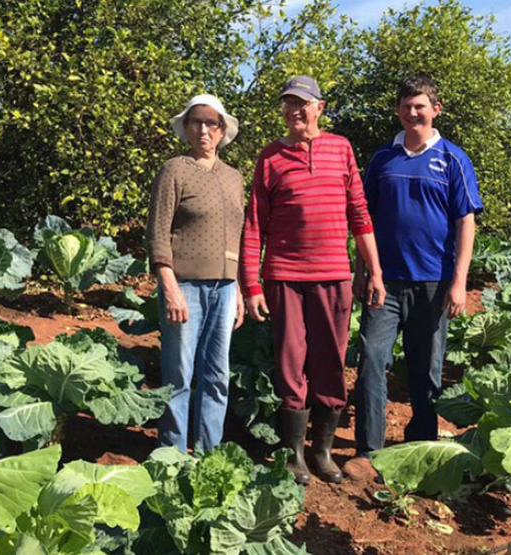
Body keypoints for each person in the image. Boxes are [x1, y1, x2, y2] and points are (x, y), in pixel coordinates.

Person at [240, 75, 386, 484]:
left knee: (330, 362)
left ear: (320, 107)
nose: (294, 112)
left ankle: (322, 451)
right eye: (288, 104)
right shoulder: (269, 158)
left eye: (302, 104)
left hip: (334, 275)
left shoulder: (341, 149)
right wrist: (251, 284)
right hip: (284, 276)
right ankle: (293, 456)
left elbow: (359, 213)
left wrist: (373, 270)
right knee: (290, 365)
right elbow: (255, 225)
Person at [345, 75, 483, 481]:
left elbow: (466, 222)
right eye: (406, 106)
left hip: (433, 284)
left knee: (426, 369)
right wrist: (362, 270)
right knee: (372, 360)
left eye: (420, 106)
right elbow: (362, 217)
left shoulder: (453, 159)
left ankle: (419, 447)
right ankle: (368, 451)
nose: (412, 112)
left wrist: (459, 283)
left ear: (435, 110)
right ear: (398, 111)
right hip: (383, 283)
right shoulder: (382, 160)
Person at [146, 93, 245, 451]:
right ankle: (171, 455)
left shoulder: (234, 178)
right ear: (186, 128)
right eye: (196, 122)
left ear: (221, 131)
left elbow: (237, 234)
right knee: (180, 376)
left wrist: (239, 290)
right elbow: (158, 233)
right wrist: (169, 285)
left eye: (211, 123)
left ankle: (209, 453)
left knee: (217, 376)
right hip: (184, 286)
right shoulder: (175, 169)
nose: (203, 130)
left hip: (224, 289)